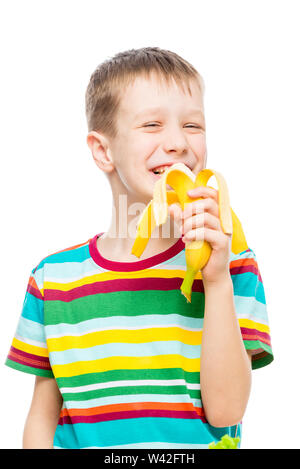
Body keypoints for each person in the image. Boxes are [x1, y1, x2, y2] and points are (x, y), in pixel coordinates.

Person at [5, 47, 273, 449]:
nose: (179, 143)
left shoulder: (233, 262)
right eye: (152, 124)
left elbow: (227, 411)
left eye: (192, 125)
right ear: (103, 150)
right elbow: (41, 419)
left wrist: (216, 282)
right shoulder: (53, 280)